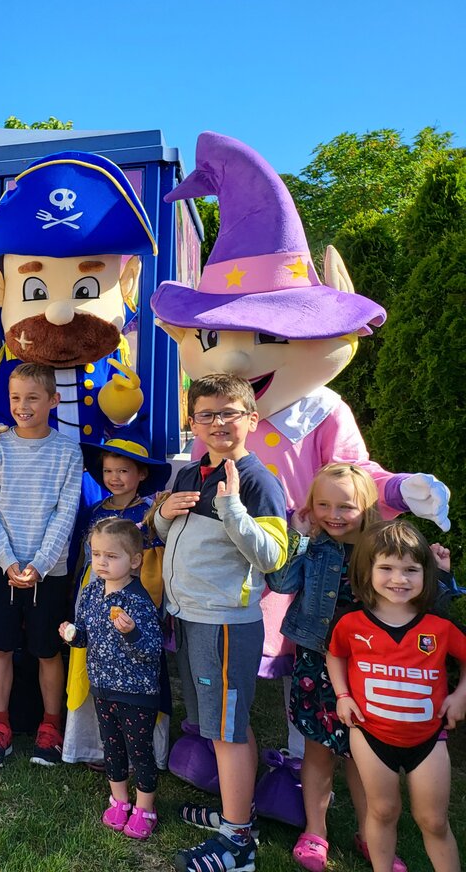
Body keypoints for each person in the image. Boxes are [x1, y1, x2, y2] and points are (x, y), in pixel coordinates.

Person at [155, 372, 289, 872]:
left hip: (225, 625)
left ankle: (238, 846)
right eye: (206, 415)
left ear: (251, 419)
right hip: (189, 618)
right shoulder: (190, 472)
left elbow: (273, 557)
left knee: (227, 730)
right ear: (193, 423)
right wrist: (164, 514)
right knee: (223, 724)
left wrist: (233, 509)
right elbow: (162, 530)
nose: (217, 424)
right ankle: (241, 816)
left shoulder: (257, 481)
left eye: (228, 413)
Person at [266, 464, 411, 871]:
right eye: (323, 504)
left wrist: (442, 570)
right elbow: (280, 583)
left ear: (366, 507)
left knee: (364, 757)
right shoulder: (314, 546)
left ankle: (371, 835)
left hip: (370, 669)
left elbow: (414, 596)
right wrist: (297, 533)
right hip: (317, 660)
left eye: (345, 506)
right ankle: (316, 831)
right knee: (319, 749)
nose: (333, 514)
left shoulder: (385, 549)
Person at [328, 521, 466, 872]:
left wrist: (461, 695)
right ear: (367, 571)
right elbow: (336, 654)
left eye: (411, 570)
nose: (399, 579)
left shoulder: (439, 625)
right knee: (383, 810)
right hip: (370, 733)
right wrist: (342, 695)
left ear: (426, 574)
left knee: (434, 820)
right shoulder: (350, 623)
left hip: (428, 737)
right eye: (386, 568)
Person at [0, 363, 83, 768]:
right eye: (16, 398)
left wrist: (38, 564)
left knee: (47, 650)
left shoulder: (68, 452)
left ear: (53, 401)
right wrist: (8, 561)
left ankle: (50, 728)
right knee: (0, 646)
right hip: (0, 567)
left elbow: (65, 513)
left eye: (33, 398)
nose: (22, 406)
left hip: (47, 573)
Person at [63, 427, 171, 768]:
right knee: (93, 662)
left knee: (132, 662)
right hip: (93, 599)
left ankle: (139, 747)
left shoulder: (150, 514)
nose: (115, 477)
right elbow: (83, 558)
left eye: (123, 470)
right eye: (108, 471)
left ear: (141, 474)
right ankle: (95, 746)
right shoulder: (94, 510)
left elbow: (155, 564)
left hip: (133, 602)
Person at [60, 517, 162, 839]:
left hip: (136, 691)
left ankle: (145, 808)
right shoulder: (91, 593)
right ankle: (119, 800)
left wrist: (132, 634)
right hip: (102, 687)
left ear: (134, 561)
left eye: (111, 556)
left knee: (139, 750)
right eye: (96, 554)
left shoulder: (138, 600)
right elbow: (87, 637)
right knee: (112, 747)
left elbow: (153, 650)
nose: (101, 562)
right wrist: (73, 635)